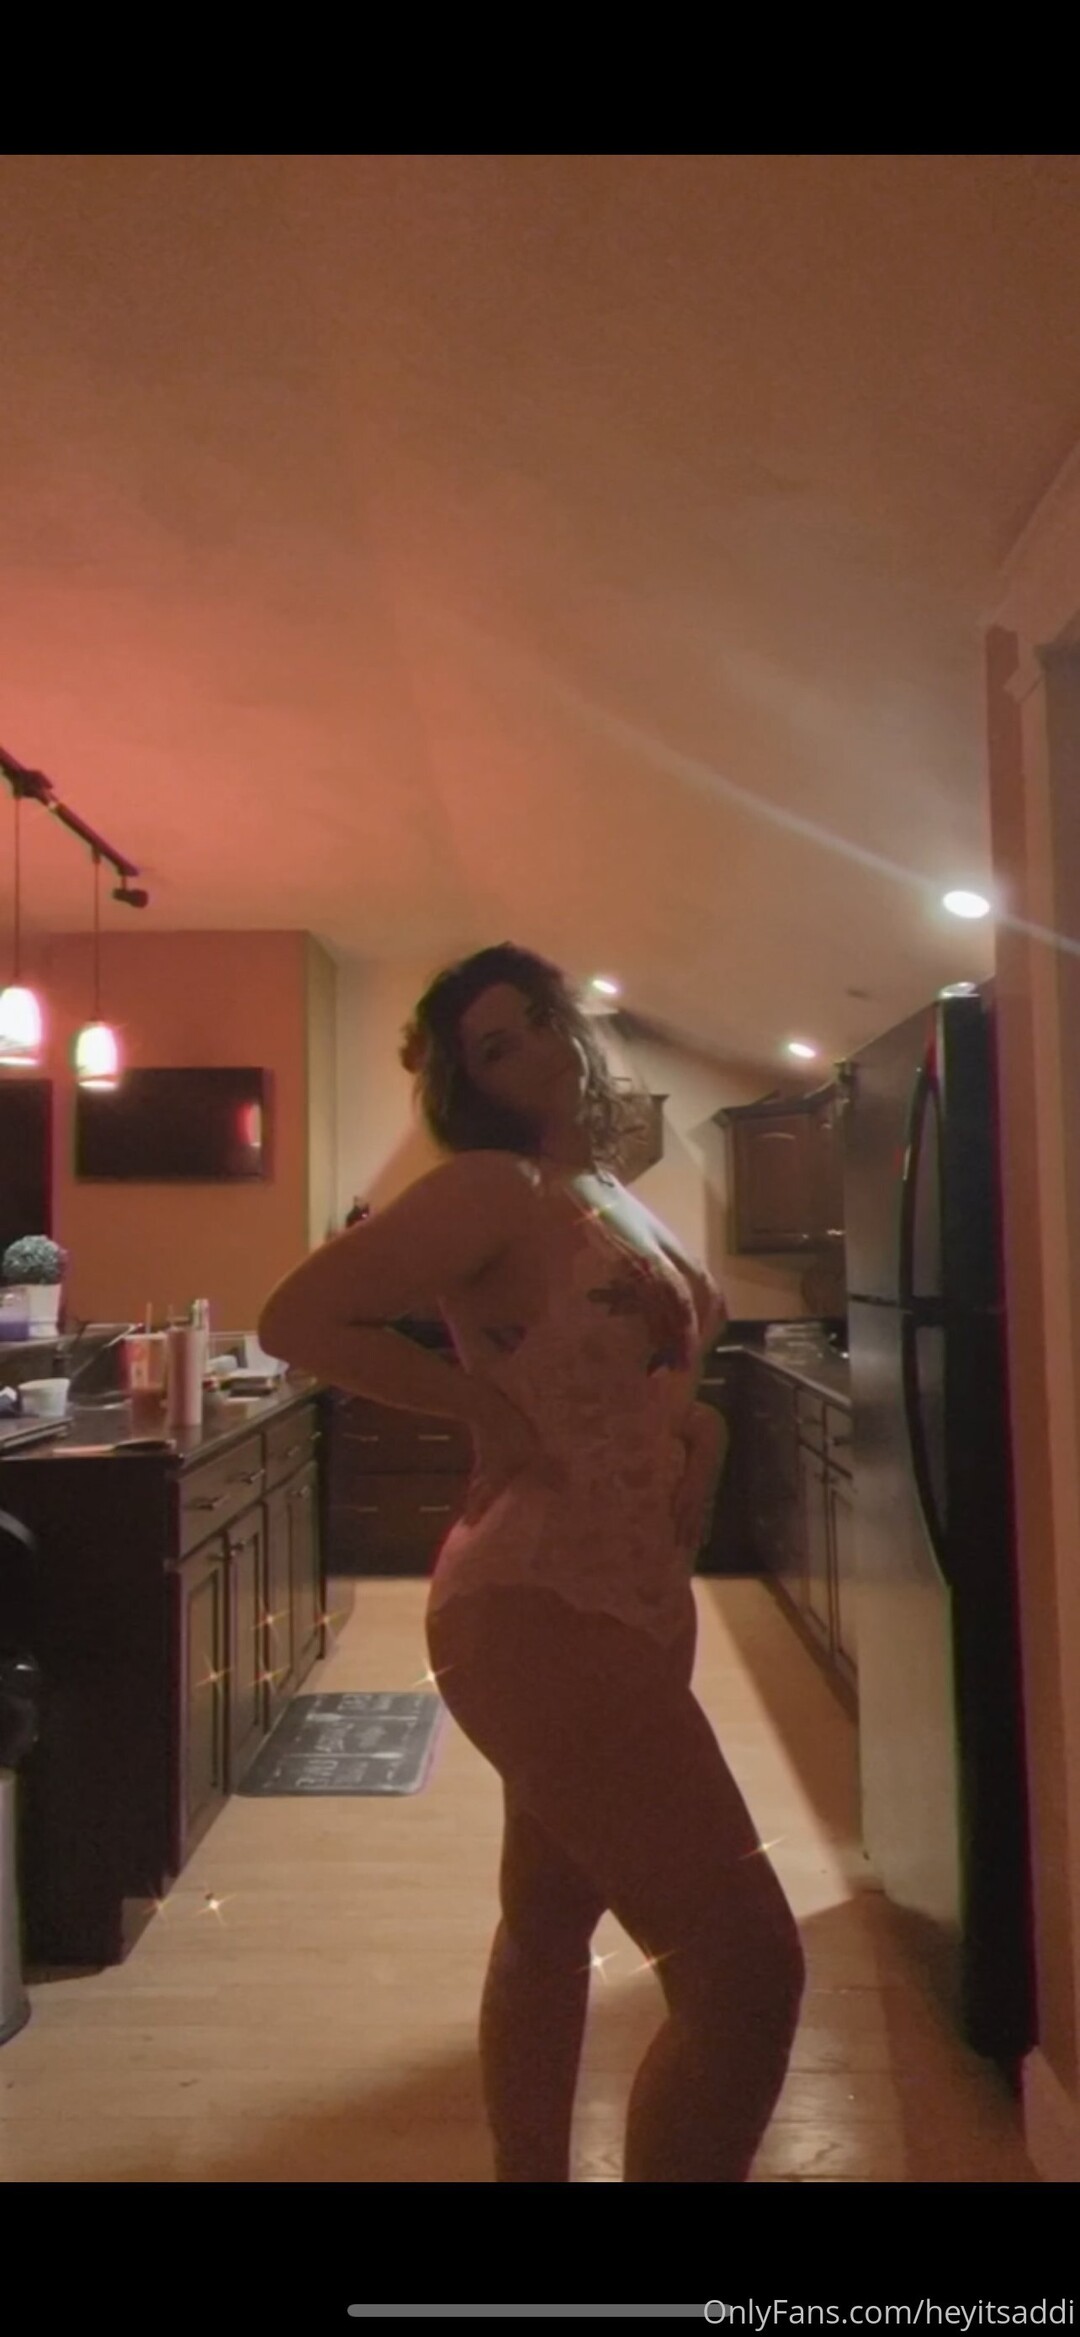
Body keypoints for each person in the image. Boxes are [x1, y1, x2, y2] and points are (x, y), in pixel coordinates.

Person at [258, 942, 805, 2182]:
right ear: (472, 1083)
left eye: (540, 1022)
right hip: (537, 1602)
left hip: (637, 1595)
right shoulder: (491, 1187)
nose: (538, 1053)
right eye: (496, 1048)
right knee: (746, 1975)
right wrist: (477, 1408)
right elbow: (297, 1319)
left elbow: (636, 1368)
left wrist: (703, 1431)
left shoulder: (600, 1188)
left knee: (549, 1923)